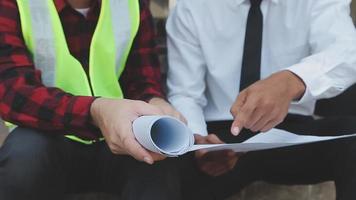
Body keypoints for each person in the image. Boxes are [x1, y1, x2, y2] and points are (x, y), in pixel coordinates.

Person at [166, 0, 356, 199]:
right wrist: (199, 140)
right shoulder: (193, 6)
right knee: (163, 163)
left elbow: (348, 51)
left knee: (352, 139)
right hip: (220, 136)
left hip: (291, 133)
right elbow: (185, 93)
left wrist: (293, 79)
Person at [0, 0, 185, 199]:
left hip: (118, 137)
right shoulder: (12, 4)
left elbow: (142, 77)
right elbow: (12, 90)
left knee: (159, 164)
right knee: (25, 158)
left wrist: (154, 101)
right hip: (47, 133)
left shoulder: (132, 4)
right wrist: (96, 111)